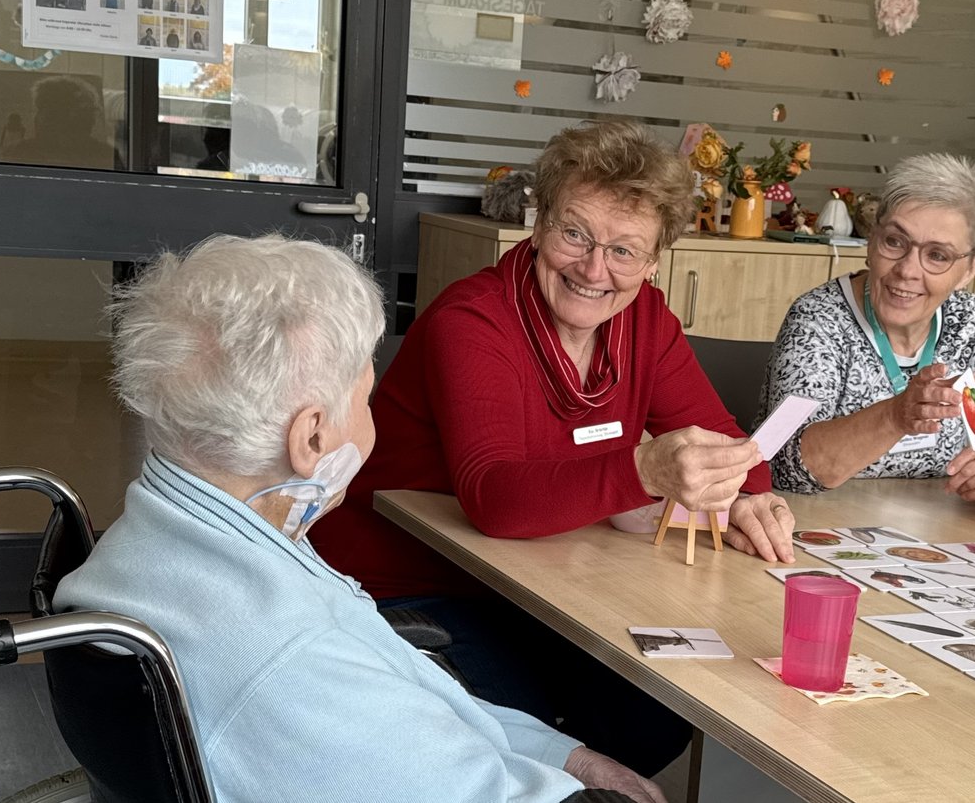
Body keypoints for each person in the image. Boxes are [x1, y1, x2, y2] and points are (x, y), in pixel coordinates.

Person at [54, 235, 666, 803]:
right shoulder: (290, 657)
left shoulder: (171, 531)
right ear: (313, 438)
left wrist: (567, 754)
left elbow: (413, 696)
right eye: (365, 398)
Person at [313, 120, 797, 777]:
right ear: (539, 225)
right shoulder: (473, 321)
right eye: (575, 234)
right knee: (537, 740)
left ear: (655, 262)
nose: (595, 269)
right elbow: (496, 498)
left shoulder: (646, 319)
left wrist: (745, 496)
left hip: (546, 588)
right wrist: (647, 466)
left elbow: (733, 447)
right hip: (409, 587)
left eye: (625, 250)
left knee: (653, 716)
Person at [760, 153, 975, 501]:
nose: (907, 270)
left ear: (970, 270)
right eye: (895, 242)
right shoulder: (819, 317)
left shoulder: (971, 324)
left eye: (937, 255)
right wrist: (895, 416)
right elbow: (783, 464)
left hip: (942, 538)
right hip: (821, 533)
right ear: (872, 241)